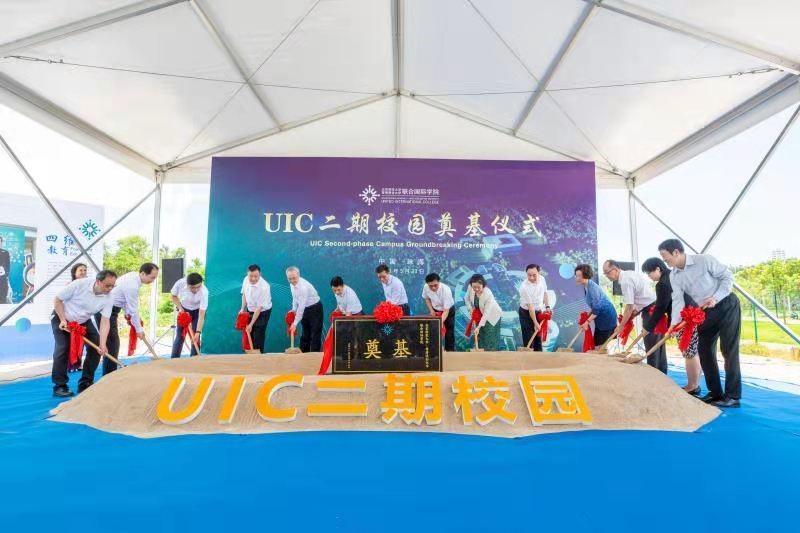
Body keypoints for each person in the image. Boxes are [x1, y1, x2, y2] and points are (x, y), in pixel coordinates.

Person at [659, 239, 741, 408]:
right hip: (704, 312)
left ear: (676, 252)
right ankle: (715, 393)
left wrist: (716, 297)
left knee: (728, 349)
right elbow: (678, 301)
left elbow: (727, 277)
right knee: (704, 350)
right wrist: (674, 325)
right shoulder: (674, 276)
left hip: (726, 304)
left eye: (665, 256)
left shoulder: (704, 260)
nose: (664, 260)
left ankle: (732, 396)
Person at [51, 270, 117, 396]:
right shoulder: (79, 284)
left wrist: (103, 344)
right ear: (98, 281)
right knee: (63, 348)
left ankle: (85, 383)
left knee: (96, 348)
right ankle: (60, 386)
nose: (110, 289)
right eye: (107, 285)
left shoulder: (109, 297)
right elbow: (57, 299)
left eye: (112, 286)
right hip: (62, 318)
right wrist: (63, 319)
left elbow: (105, 321)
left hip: (83, 321)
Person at [642, 257, 701, 395]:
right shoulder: (674, 275)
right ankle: (695, 384)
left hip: (685, 318)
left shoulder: (663, 283)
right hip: (692, 313)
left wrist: (648, 328)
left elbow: (660, 308)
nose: (649, 277)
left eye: (649, 273)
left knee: (689, 353)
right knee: (693, 352)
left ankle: (692, 386)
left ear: (658, 269)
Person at [97, 263, 159, 375]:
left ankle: (110, 373)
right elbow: (134, 310)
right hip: (106, 310)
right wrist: (139, 329)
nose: (153, 281)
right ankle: (110, 375)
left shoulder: (134, 276)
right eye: (152, 278)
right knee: (112, 344)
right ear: (143, 273)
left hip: (112, 309)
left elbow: (125, 301)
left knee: (113, 343)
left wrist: (127, 314)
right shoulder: (133, 285)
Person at [602, 259, 660, 371]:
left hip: (651, 310)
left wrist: (621, 326)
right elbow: (638, 298)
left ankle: (654, 374)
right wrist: (634, 313)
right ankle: (660, 371)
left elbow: (629, 307)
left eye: (607, 272)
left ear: (615, 270)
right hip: (650, 307)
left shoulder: (625, 281)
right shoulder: (629, 274)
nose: (606, 276)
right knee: (656, 345)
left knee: (652, 345)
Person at [574, 264, 617, 347]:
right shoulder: (586, 286)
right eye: (576, 276)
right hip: (600, 316)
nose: (577, 278)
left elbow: (597, 309)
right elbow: (594, 306)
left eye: (579, 276)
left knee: (602, 346)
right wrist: (588, 315)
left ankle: (604, 354)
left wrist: (587, 322)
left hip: (606, 316)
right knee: (599, 344)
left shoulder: (593, 288)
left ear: (586, 275)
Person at [170, 272, 208, 358]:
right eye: (193, 287)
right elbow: (173, 296)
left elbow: (201, 315)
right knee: (180, 336)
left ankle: (194, 359)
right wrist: (180, 308)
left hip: (198, 311)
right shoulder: (180, 283)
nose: (196, 290)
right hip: (184, 309)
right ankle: (174, 359)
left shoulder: (204, 292)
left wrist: (198, 332)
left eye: (198, 287)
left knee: (195, 336)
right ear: (187, 284)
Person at [286, 267, 323, 352]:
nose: (292, 281)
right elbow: (295, 298)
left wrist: (295, 324)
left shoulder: (303, 287)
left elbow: (301, 306)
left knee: (315, 333)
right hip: (305, 309)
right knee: (305, 332)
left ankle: (314, 355)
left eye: (294, 278)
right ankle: (303, 353)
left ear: (298, 275)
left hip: (315, 308)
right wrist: (293, 310)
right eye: (289, 279)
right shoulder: (292, 284)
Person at [464, 274, 503, 351]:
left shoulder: (488, 294)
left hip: (492, 316)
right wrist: (470, 309)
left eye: (478, 287)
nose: (476, 289)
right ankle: (481, 354)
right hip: (480, 314)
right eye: (474, 287)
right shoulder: (470, 287)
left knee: (490, 338)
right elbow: (466, 298)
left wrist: (478, 327)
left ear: (483, 285)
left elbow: (486, 313)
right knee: (481, 336)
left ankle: (491, 355)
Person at [518, 264, 550, 351]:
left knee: (538, 338)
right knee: (529, 337)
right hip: (526, 313)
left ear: (539, 273)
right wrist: (535, 323)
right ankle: (529, 356)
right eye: (529, 275)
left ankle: (539, 355)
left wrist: (547, 307)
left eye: (534, 275)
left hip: (538, 311)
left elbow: (545, 293)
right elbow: (530, 307)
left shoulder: (542, 279)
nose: (531, 278)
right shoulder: (524, 287)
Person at [240, 264, 272, 353]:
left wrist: (251, 324)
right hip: (250, 309)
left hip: (262, 312)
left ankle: (259, 356)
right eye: (251, 276)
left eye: (256, 276)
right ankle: (250, 356)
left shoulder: (265, 287)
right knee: (249, 333)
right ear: (247, 274)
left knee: (258, 335)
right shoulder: (245, 280)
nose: (253, 279)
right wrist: (242, 308)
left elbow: (259, 308)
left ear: (260, 274)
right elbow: (244, 294)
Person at [422, 273, 455, 351]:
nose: (433, 288)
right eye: (431, 286)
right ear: (427, 284)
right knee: (434, 330)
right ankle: (435, 351)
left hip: (448, 310)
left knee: (449, 330)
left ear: (439, 282)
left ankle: (450, 351)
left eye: (435, 285)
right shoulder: (426, 287)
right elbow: (426, 298)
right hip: (436, 310)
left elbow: (446, 310)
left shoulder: (446, 290)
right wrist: (431, 310)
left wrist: (440, 322)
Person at [0, 235, 10, 304]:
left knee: (3, 297)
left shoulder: (5, 252)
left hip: (2, 279)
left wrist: (6, 274)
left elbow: (8, 265)